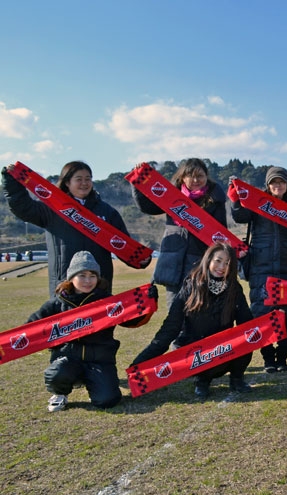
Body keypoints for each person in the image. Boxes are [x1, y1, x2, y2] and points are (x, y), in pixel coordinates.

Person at [132, 243, 253, 399]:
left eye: (227, 263)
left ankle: (237, 378)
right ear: (208, 260)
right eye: (218, 260)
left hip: (223, 350)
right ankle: (202, 380)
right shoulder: (191, 285)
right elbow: (170, 328)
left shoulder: (234, 288)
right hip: (195, 351)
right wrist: (138, 365)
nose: (221, 267)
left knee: (247, 337)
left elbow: (248, 323)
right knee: (201, 361)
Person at [230, 166, 287, 374]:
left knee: (285, 315)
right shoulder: (257, 203)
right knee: (262, 314)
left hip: (285, 268)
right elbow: (240, 216)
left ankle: (283, 356)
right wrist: (236, 198)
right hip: (259, 269)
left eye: (281, 182)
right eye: (273, 182)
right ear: (268, 185)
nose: (277, 185)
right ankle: (268, 358)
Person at [27, 251, 141, 411]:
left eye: (92, 276)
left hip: (99, 360)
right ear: (71, 277)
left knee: (108, 400)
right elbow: (31, 328)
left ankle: (93, 380)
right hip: (68, 358)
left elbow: (131, 320)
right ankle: (60, 393)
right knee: (56, 374)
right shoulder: (57, 304)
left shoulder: (106, 301)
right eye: (82, 275)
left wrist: (144, 305)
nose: (88, 281)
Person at [2, 161, 131, 294]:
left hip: (98, 285)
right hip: (64, 284)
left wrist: (140, 259)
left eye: (88, 179)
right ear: (67, 182)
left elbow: (123, 244)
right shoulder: (52, 208)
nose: (84, 183)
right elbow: (23, 207)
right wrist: (11, 181)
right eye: (79, 179)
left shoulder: (107, 212)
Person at [132, 158, 227, 306]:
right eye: (191, 176)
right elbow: (147, 207)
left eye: (200, 176)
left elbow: (220, 235)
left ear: (206, 177)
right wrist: (137, 184)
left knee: (196, 313)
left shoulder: (215, 200)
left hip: (199, 266)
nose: (196, 180)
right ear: (183, 177)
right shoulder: (171, 196)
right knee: (174, 315)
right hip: (172, 265)